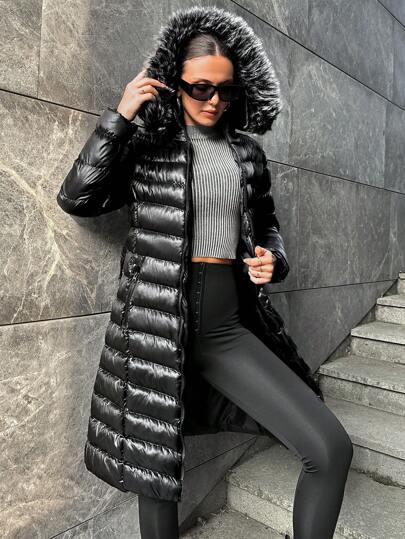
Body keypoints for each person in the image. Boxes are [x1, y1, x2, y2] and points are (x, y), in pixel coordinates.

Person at [57, 7, 353, 539]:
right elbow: (78, 198)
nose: (214, 100)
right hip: (152, 328)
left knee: (329, 448)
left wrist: (273, 259)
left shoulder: (246, 154)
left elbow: (267, 226)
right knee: (154, 479)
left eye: (225, 90)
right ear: (175, 85)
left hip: (225, 329)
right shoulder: (148, 147)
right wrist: (120, 117)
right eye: (200, 88)